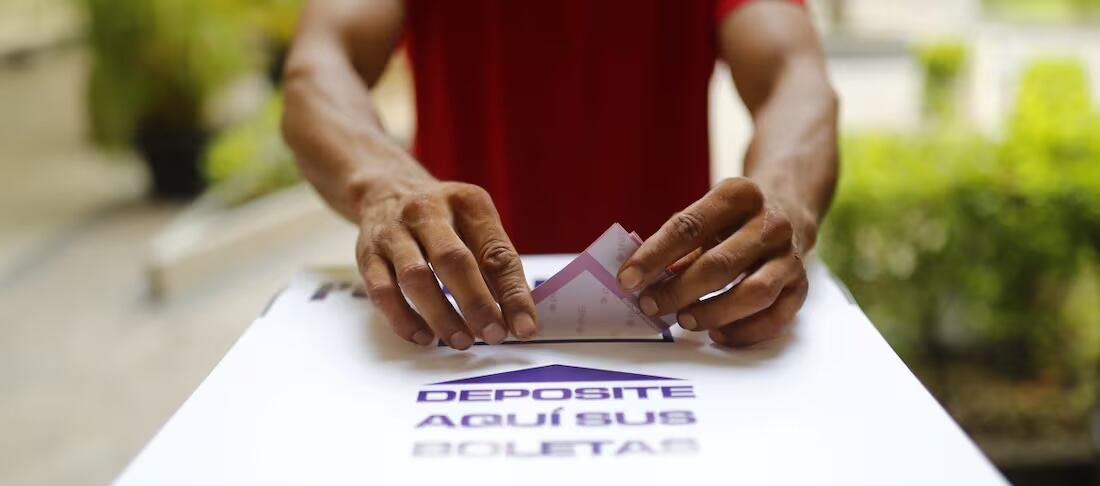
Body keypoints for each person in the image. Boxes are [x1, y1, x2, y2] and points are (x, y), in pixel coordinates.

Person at [282, 0, 838, 350]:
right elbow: (321, 68)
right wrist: (385, 187)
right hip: (451, 318)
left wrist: (781, 199)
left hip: (672, 326)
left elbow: (793, 79)